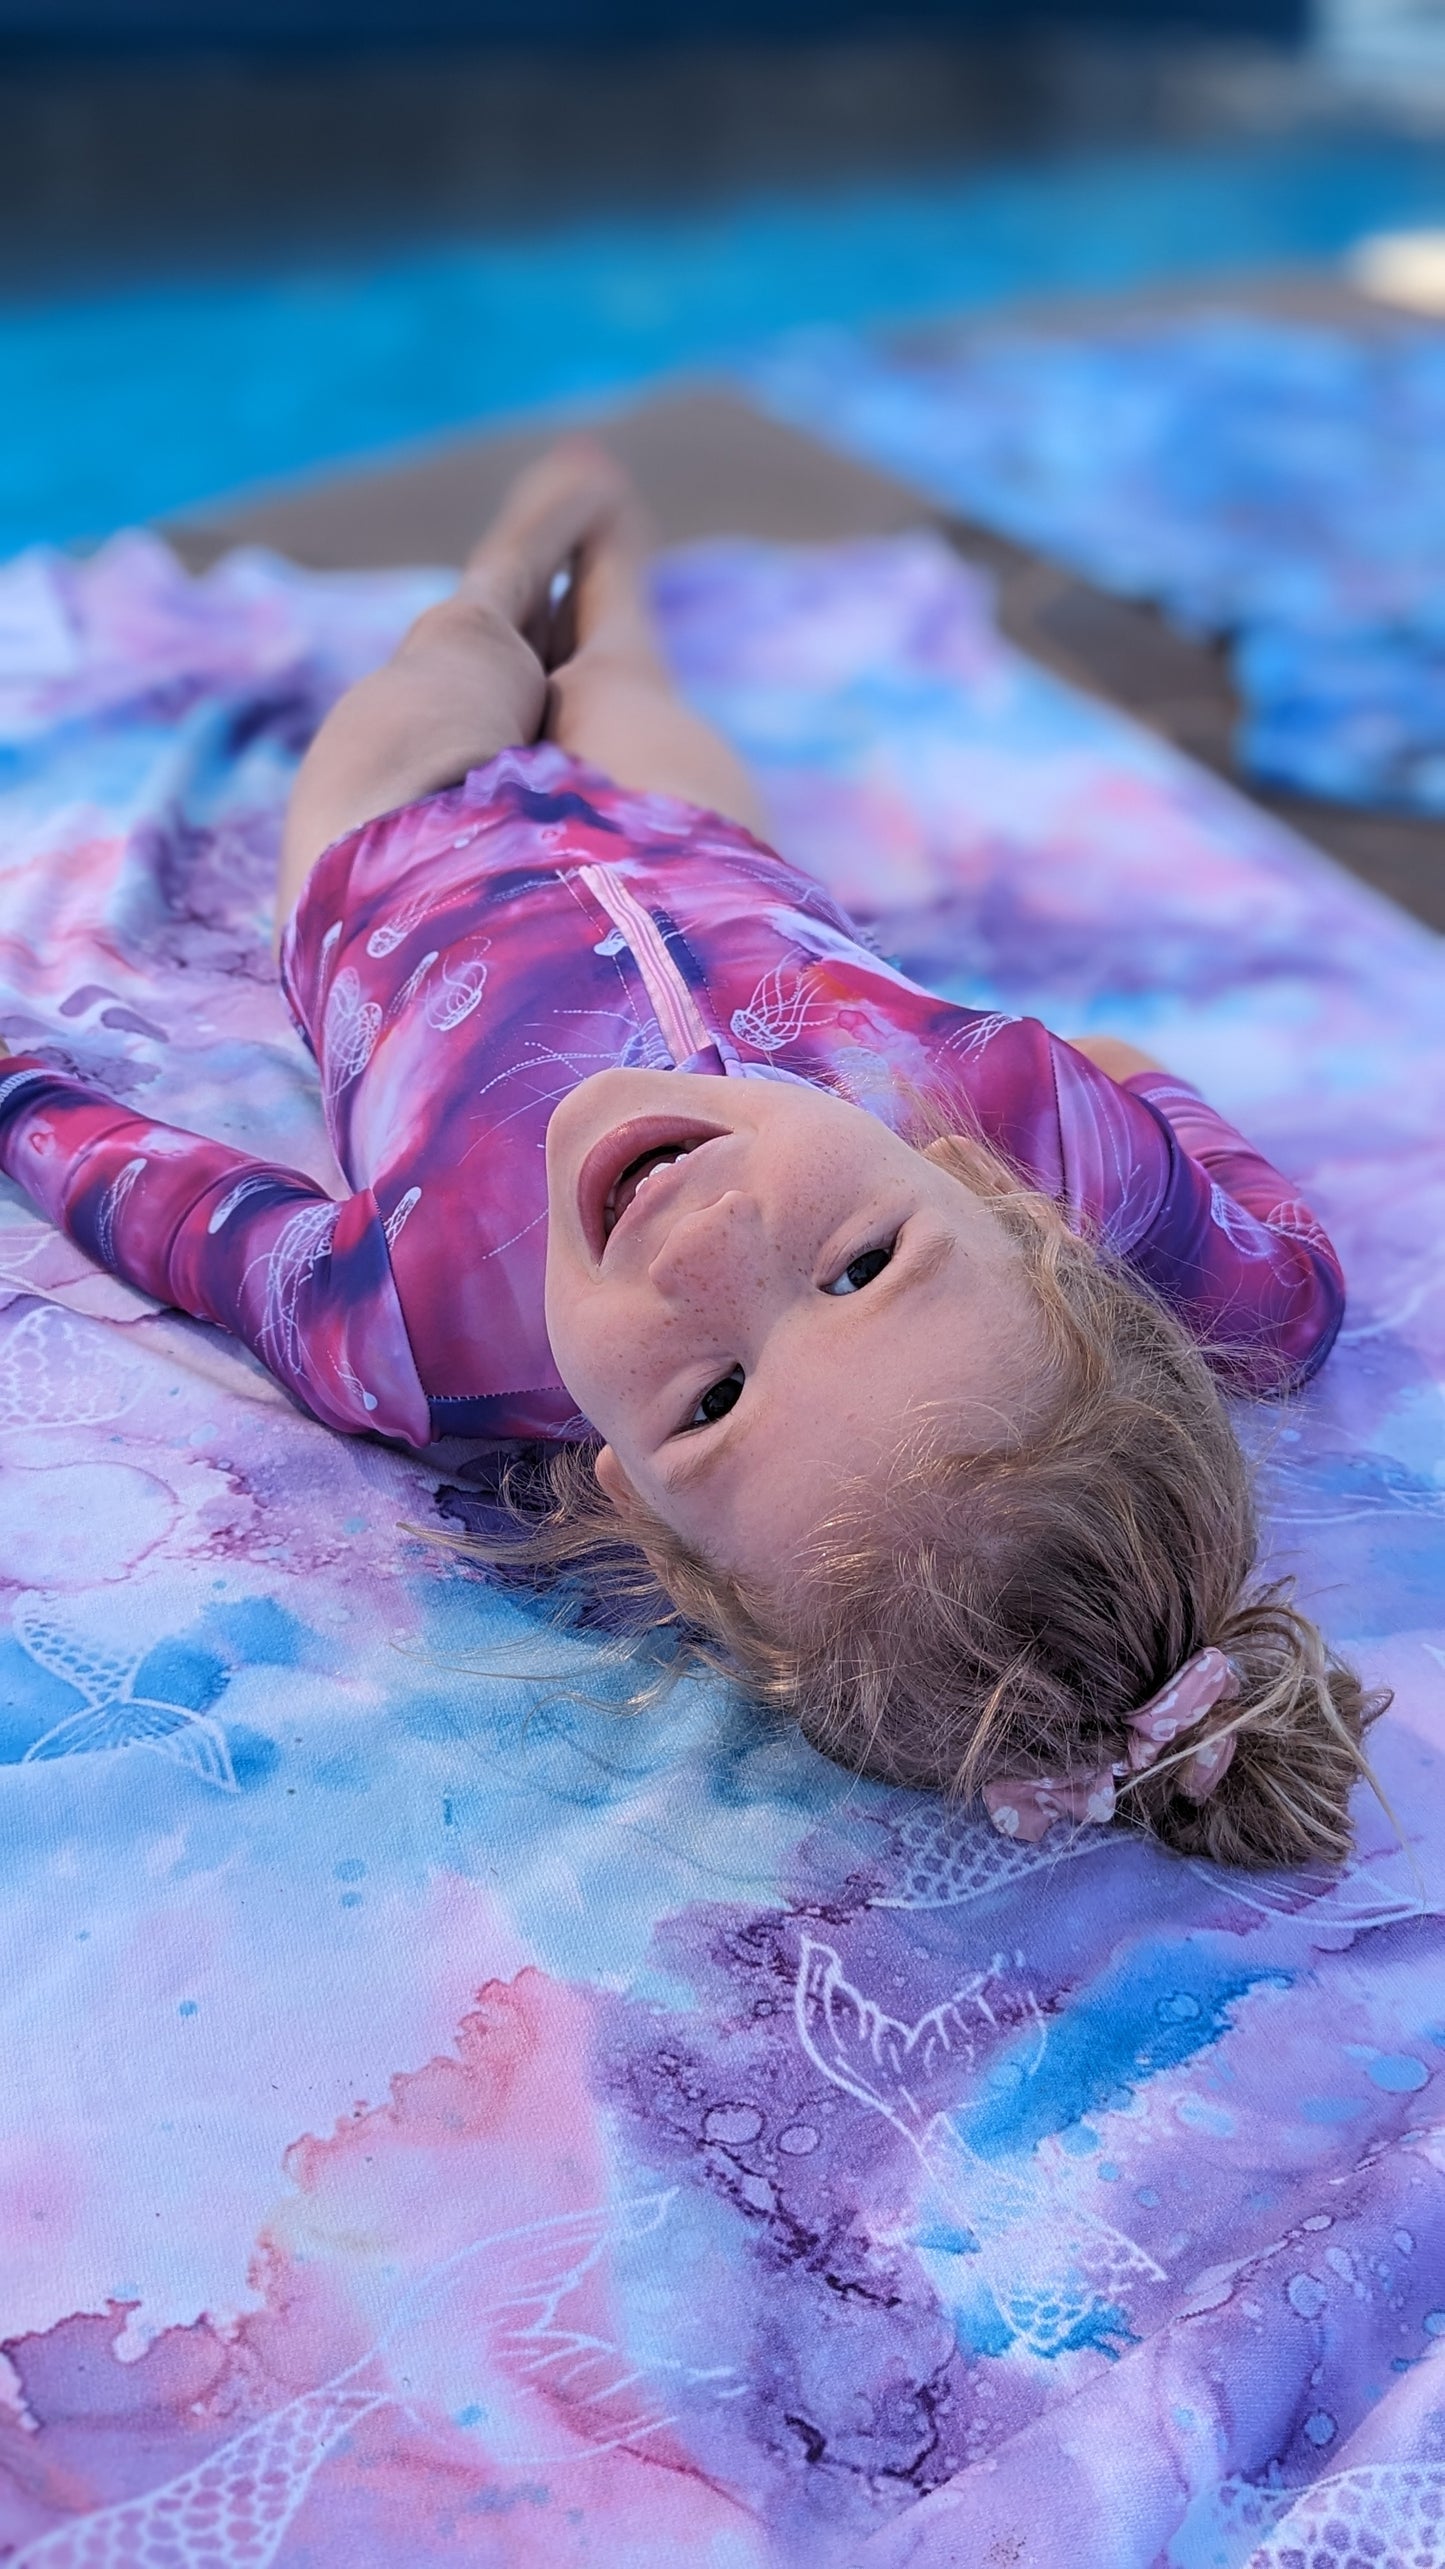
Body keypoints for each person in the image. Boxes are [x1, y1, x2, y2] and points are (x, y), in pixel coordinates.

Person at [0, 442, 1385, 1867]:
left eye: (713, 1400)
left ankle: (507, 580)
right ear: (1008, 1210)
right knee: (617, 677)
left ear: (634, 1504)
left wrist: (16, 1089)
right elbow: (1292, 1289)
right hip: (695, 837)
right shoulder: (1000, 1106)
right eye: (860, 1267)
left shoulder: (416, 1327)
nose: (701, 1242)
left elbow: (181, 1212)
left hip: (393, 848)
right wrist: (1141, 1080)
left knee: (454, 659)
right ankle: (590, 542)